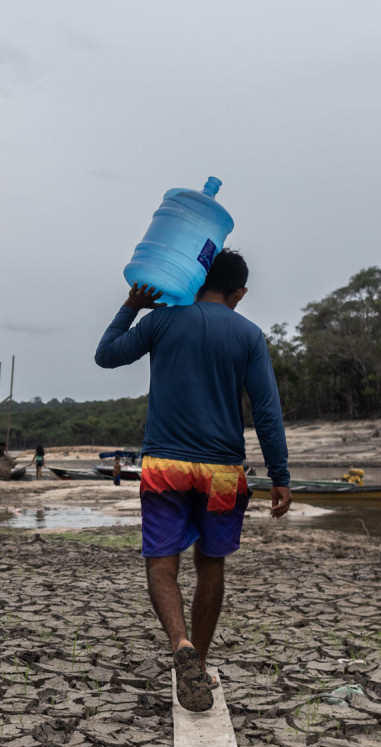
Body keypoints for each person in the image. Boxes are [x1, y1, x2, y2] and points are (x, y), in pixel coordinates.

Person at [94, 249, 292, 712]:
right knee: (211, 565)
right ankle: (198, 663)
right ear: (240, 292)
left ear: (197, 278)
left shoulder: (163, 321)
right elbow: (266, 411)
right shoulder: (248, 334)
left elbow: (105, 356)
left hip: (166, 467)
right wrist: (280, 476)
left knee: (162, 565)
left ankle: (180, 645)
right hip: (223, 471)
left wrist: (131, 305)